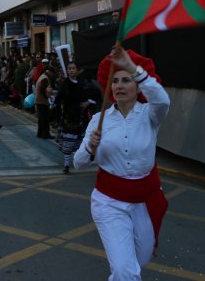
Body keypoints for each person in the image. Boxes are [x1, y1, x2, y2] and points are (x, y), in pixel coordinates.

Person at [73, 48, 170, 280]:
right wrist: (90, 147)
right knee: (125, 270)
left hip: (145, 201)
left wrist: (133, 68)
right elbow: (78, 164)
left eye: (126, 80)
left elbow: (162, 99)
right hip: (109, 202)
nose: (119, 86)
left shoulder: (150, 115)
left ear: (138, 86)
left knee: (138, 261)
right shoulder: (99, 120)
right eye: (115, 81)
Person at [55, 62, 101, 173]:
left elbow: (97, 94)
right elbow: (58, 98)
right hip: (69, 117)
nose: (71, 70)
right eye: (69, 68)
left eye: (73, 68)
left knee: (80, 141)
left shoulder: (84, 83)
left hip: (82, 116)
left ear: (77, 70)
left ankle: (79, 161)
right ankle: (66, 165)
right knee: (68, 141)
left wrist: (88, 102)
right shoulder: (65, 84)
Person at [35, 65, 56, 139]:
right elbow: (43, 90)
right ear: (50, 72)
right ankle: (46, 134)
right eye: (53, 73)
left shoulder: (43, 76)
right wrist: (48, 95)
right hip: (42, 101)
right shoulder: (45, 79)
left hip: (39, 100)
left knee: (41, 119)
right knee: (45, 119)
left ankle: (40, 133)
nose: (53, 75)